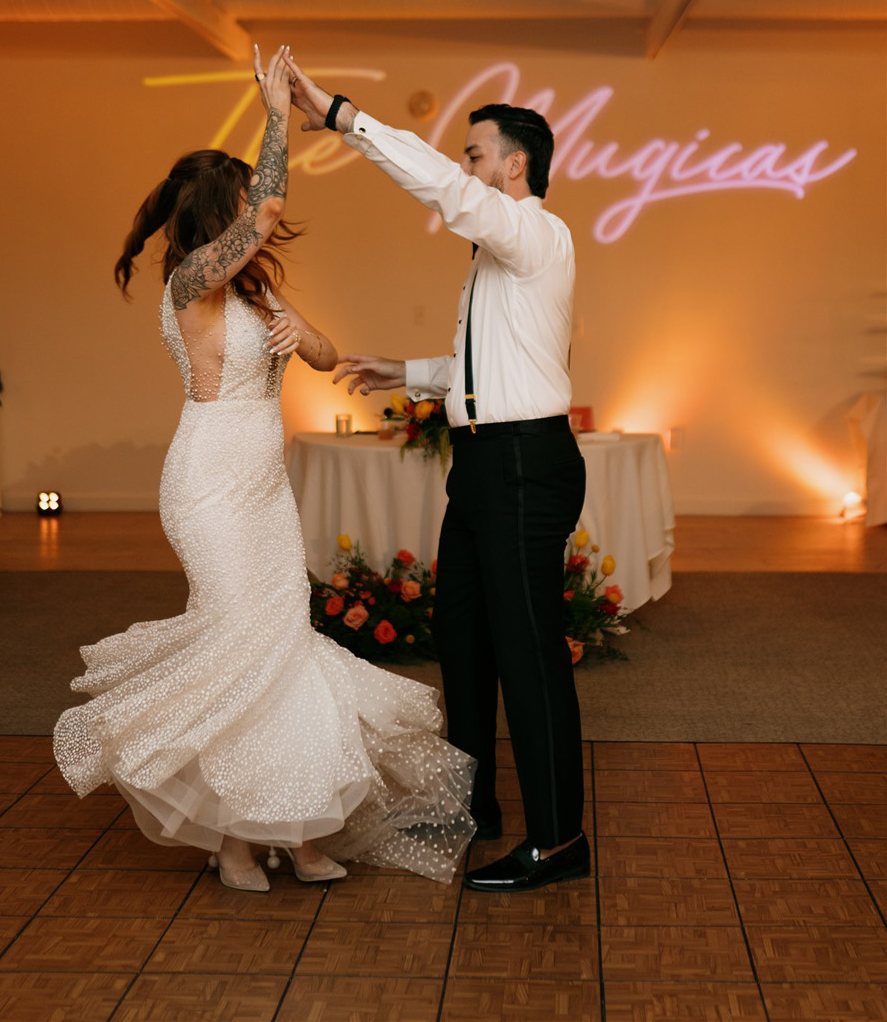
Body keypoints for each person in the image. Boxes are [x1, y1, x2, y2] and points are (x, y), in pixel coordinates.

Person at [54, 46, 474, 893]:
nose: (262, 213)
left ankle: (297, 832)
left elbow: (322, 352)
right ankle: (234, 840)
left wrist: (294, 336)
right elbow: (274, 202)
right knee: (240, 649)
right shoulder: (193, 281)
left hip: (263, 486)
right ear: (224, 207)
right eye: (246, 200)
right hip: (208, 482)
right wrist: (277, 110)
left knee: (281, 650)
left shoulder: (249, 290)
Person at [287, 58, 589, 893]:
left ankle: (560, 840)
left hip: (525, 464)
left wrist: (347, 117)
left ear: (514, 165)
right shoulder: (496, 261)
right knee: (462, 635)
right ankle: (477, 805)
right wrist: (413, 371)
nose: (465, 168)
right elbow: (493, 364)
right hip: (488, 463)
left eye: (474, 152)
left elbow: (443, 193)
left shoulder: (536, 233)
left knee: (528, 653)